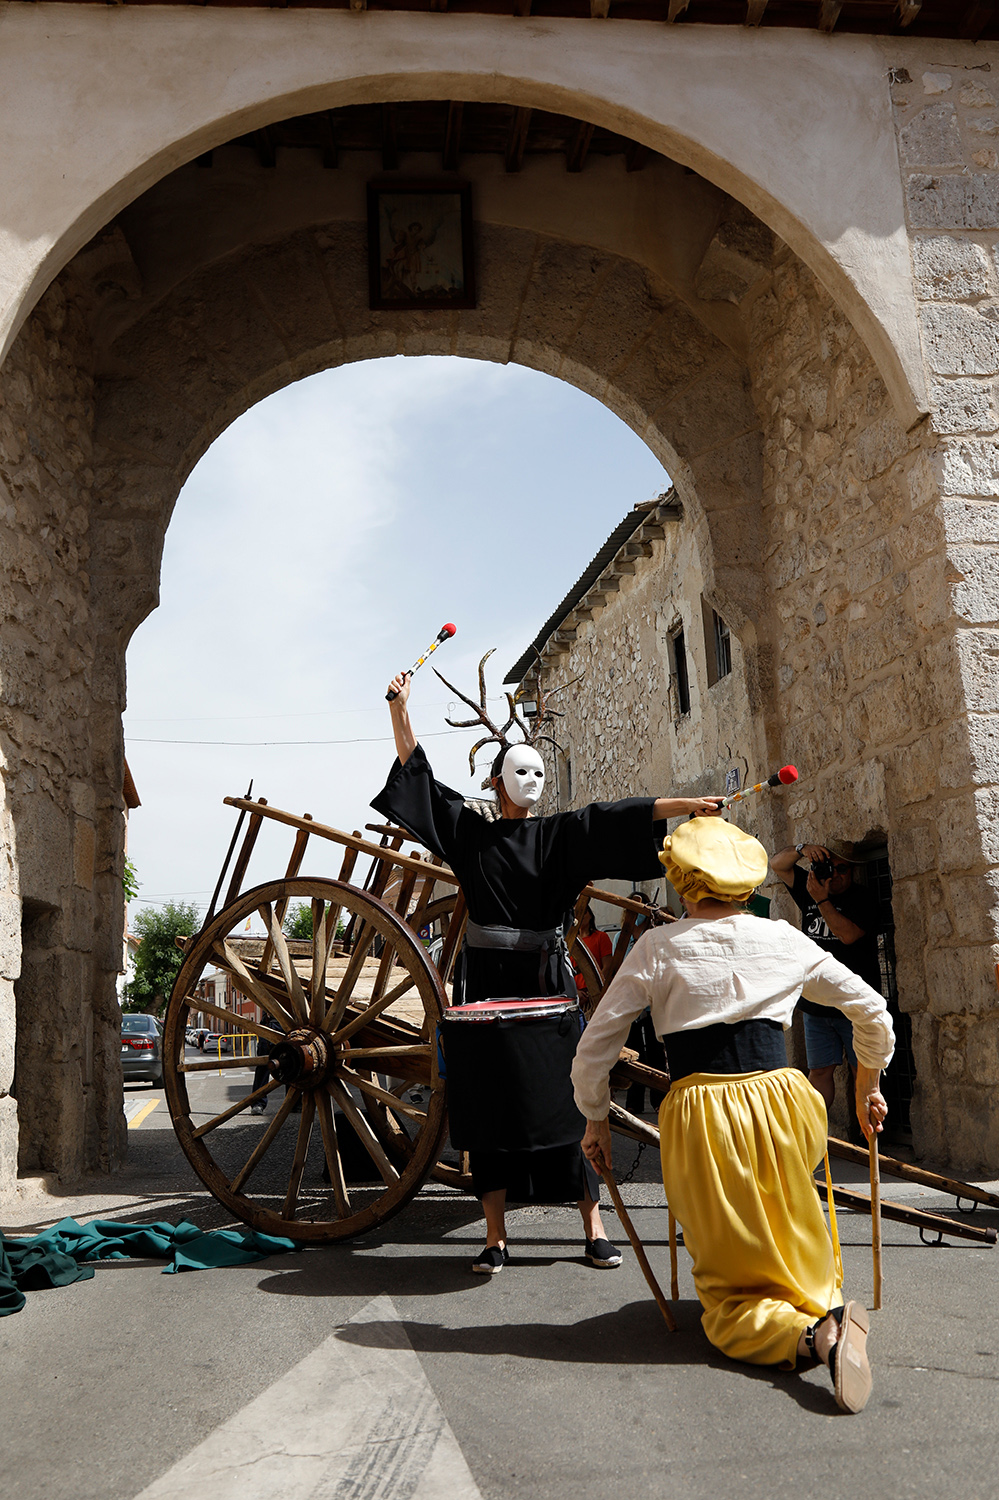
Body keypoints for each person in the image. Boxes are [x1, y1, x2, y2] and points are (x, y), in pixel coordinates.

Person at [373, 669, 723, 1275]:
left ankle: (593, 1225)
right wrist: (400, 711)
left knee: (571, 1095)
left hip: (546, 981)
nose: (530, 781)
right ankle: (495, 1236)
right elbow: (423, 786)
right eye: (519, 770)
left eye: (538, 771)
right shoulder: (470, 834)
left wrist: (686, 806)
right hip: (485, 986)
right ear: (495, 781)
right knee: (490, 1101)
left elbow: (615, 816)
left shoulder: (559, 836)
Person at [572, 816, 894, 1414]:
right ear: (745, 884)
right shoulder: (785, 939)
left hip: (703, 1112)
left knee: (727, 1294)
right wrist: (866, 1084)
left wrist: (595, 1117)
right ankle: (821, 1304)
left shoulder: (657, 947)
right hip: (784, 1101)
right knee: (792, 1222)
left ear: (684, 883)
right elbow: (871, 1009)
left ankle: (815, 1337)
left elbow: (594, 1048)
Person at [770, 841, 881, 1118]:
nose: (835, 875)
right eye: (830, 868)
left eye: (842, 869)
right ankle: (813, 1137)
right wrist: (802, 848)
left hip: (853, 1006)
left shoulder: (862, 898)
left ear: (853, 871)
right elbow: (777, 865)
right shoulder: (810, 890)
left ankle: (871, 1142)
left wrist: (822, 900)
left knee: (864, 1075)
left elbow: (848, 935)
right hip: (816, 1007)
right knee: (819, 1072)